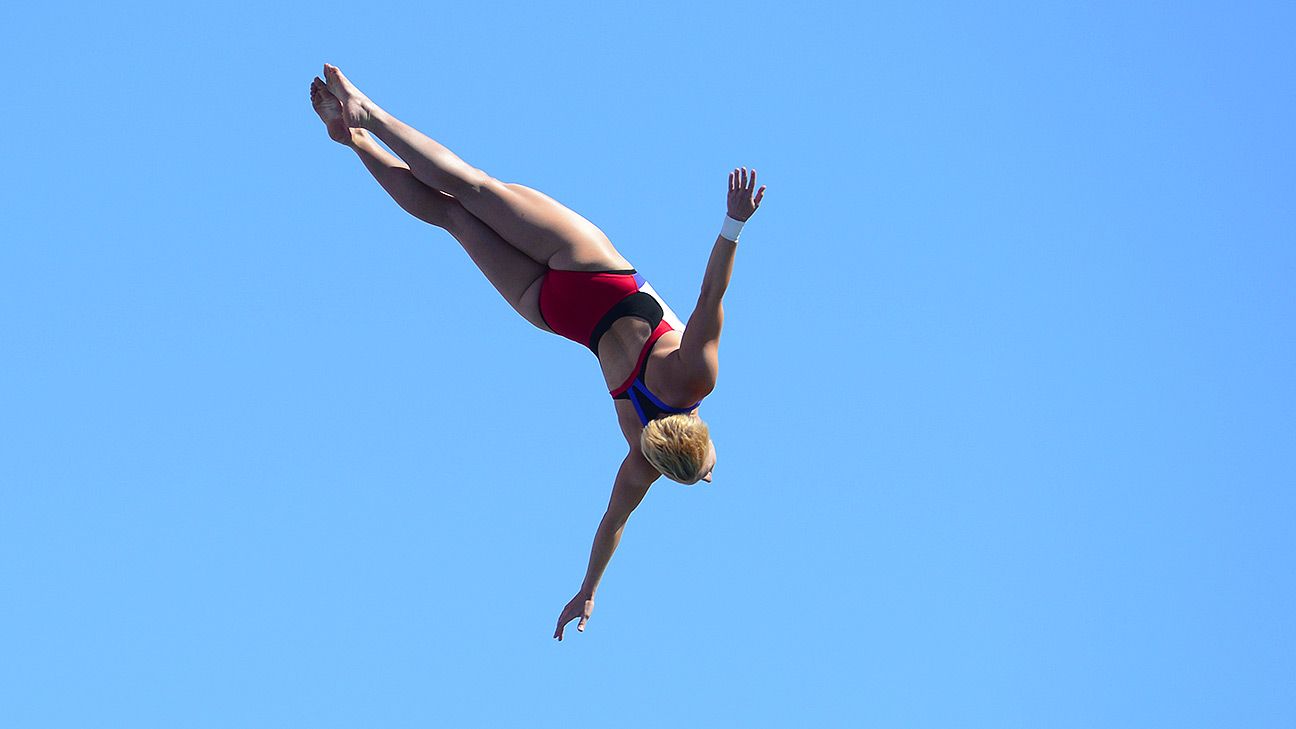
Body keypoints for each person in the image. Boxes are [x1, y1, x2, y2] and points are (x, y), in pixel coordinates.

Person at [308, 65, 766, 640]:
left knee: (475, 189)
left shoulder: (695, 378)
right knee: (450, 217)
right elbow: (611, 525)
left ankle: (367, 113)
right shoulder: (641, 459)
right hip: (552, 311)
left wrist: (733, 223)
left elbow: (712, 294)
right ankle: (355, 141)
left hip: (590, 270)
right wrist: (588, 589)